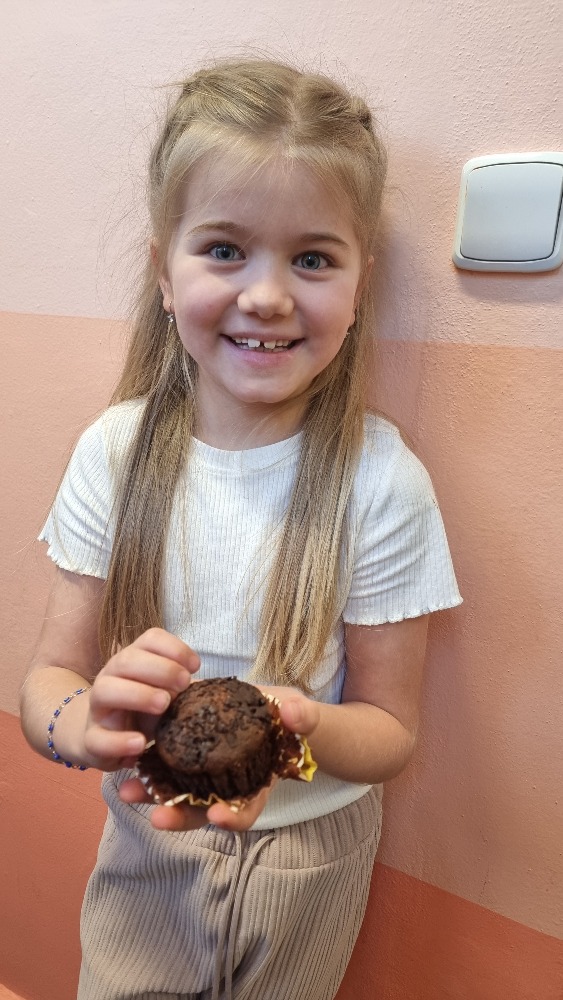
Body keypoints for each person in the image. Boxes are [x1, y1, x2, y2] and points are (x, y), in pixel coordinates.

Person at [20, 58, 461, 1000]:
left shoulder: (379, 483)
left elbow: (389, 731)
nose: (266, 296)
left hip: (311, 857)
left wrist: (299, 727)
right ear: (164, 273)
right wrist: (82, 722)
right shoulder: (114, 453)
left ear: (360, 283)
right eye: (224, 249)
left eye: (313, 259)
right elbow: (45, 685)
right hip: (145, 841)